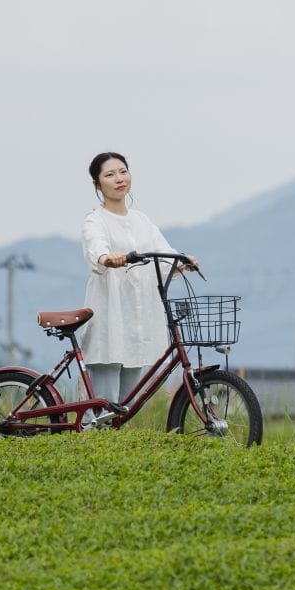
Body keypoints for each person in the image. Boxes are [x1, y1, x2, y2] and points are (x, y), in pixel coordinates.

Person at [79, 151, 195, 407]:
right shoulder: (95, 220)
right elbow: (95, 247)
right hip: (111, 315)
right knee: (103, 402)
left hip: (138, 318)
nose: (119, 179)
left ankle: (110, 442)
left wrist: (182, 261)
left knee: (126, 403)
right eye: (110, 175)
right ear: (97, 184)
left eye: (123, 172)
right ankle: (90, 438)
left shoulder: (141, 220)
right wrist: (108, 258)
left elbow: (164, 253)